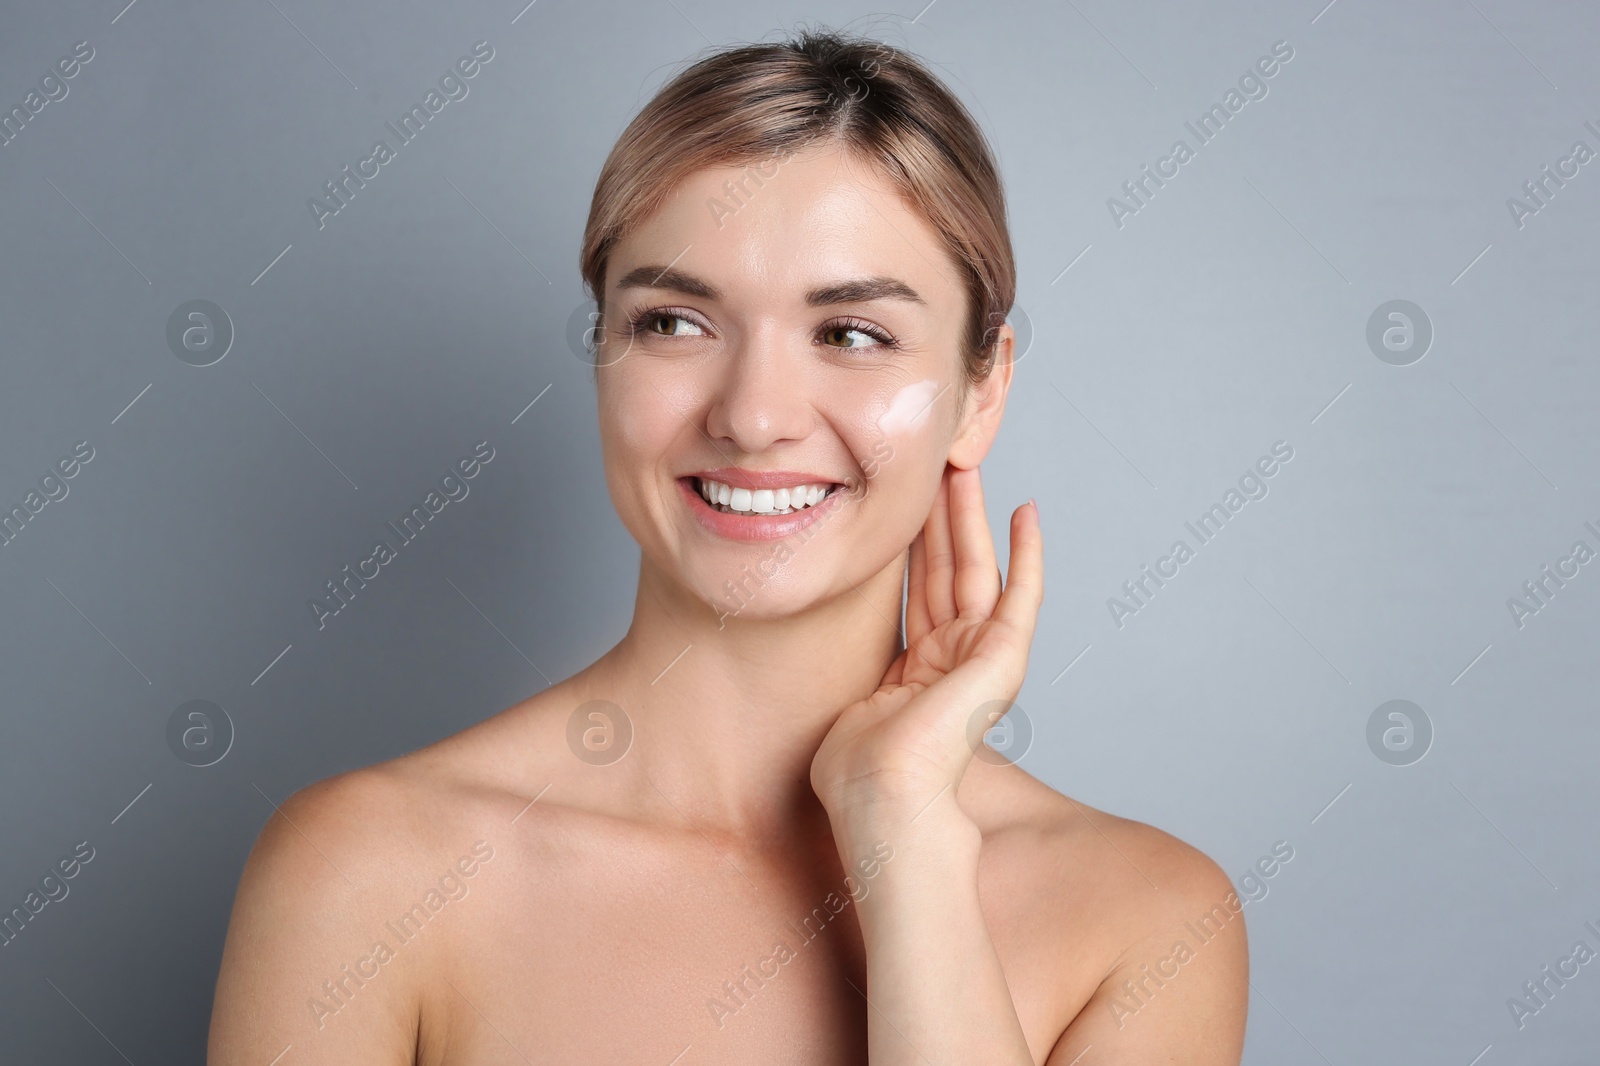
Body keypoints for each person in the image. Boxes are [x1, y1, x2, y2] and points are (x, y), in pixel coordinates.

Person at [208, 26, 1247, 1064]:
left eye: (849, 335)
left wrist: (902, 831)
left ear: (983, 391)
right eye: (673, 322)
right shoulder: (365, 874)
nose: (753, 417)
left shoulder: (1145, 921)